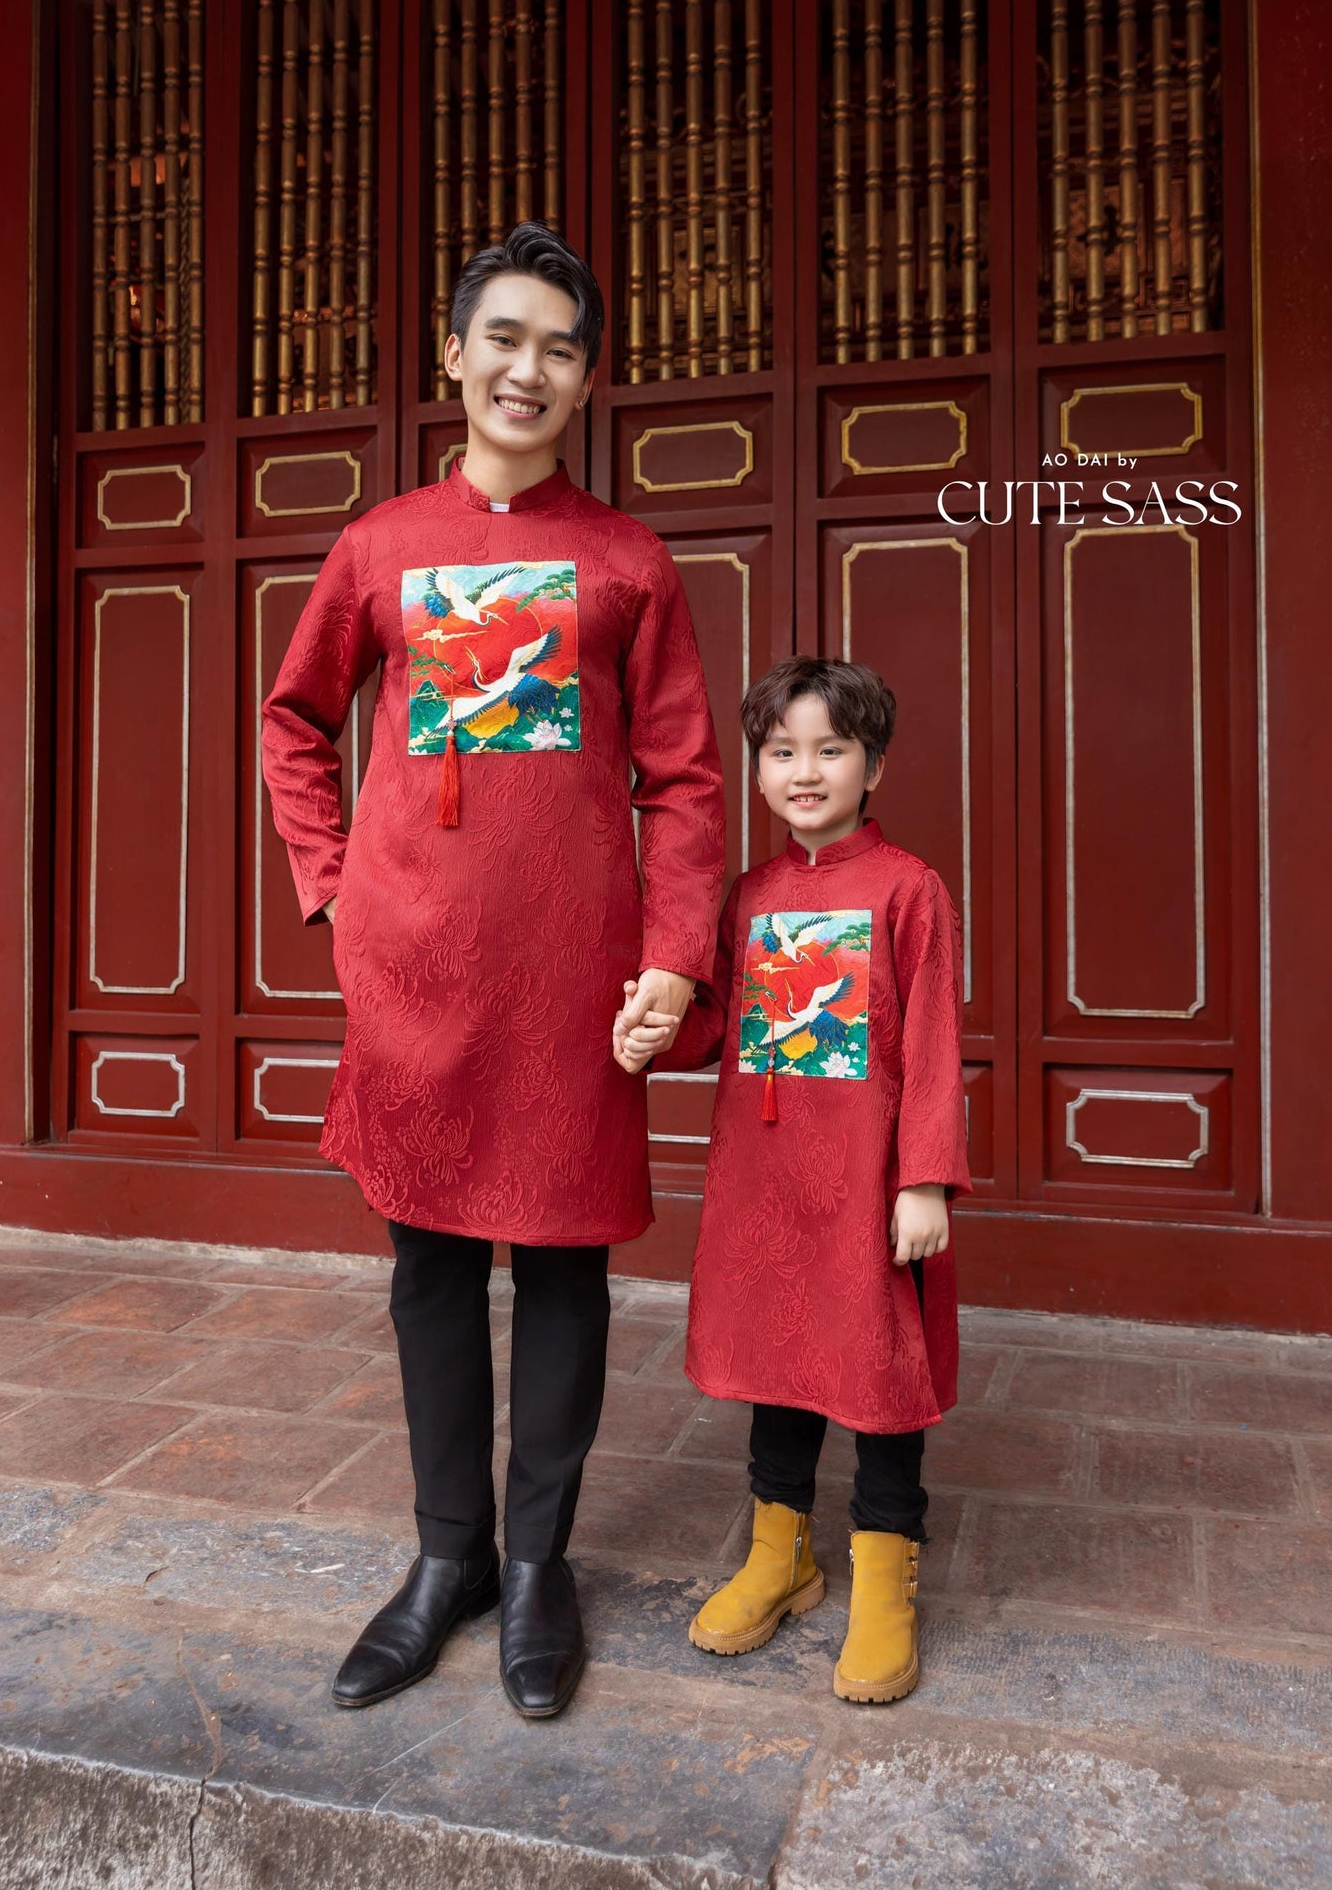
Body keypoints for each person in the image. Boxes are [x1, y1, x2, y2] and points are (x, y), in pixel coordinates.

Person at [262, 222, 725, 1720]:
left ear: (587, 381)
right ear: (452, 356)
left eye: (562, 348)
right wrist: (333, 884)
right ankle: (444, 1558)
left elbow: (688, 781)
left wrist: (672, 957)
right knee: (431, 1265)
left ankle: (539, 1567)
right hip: (416, 972)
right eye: (505, 339)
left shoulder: (627, 561)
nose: (529, 369)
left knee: (568, 1264)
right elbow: (295, 720)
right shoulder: (379, 546)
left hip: (575, 982)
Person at [614, 656, 969, 1704]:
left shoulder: (908, 888)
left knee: (875, 1369)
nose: (803, 770)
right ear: (755, 769)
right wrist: (653, 1025)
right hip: (765, 1177)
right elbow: (720, 1025)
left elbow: (939, 1043)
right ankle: (780, 1553)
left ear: (873, 766)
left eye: (829, 749)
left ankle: (880, 1581)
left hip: (868, 1176)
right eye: (780, 752)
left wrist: (925, 1180)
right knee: (775, 1355)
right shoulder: (750, 896)